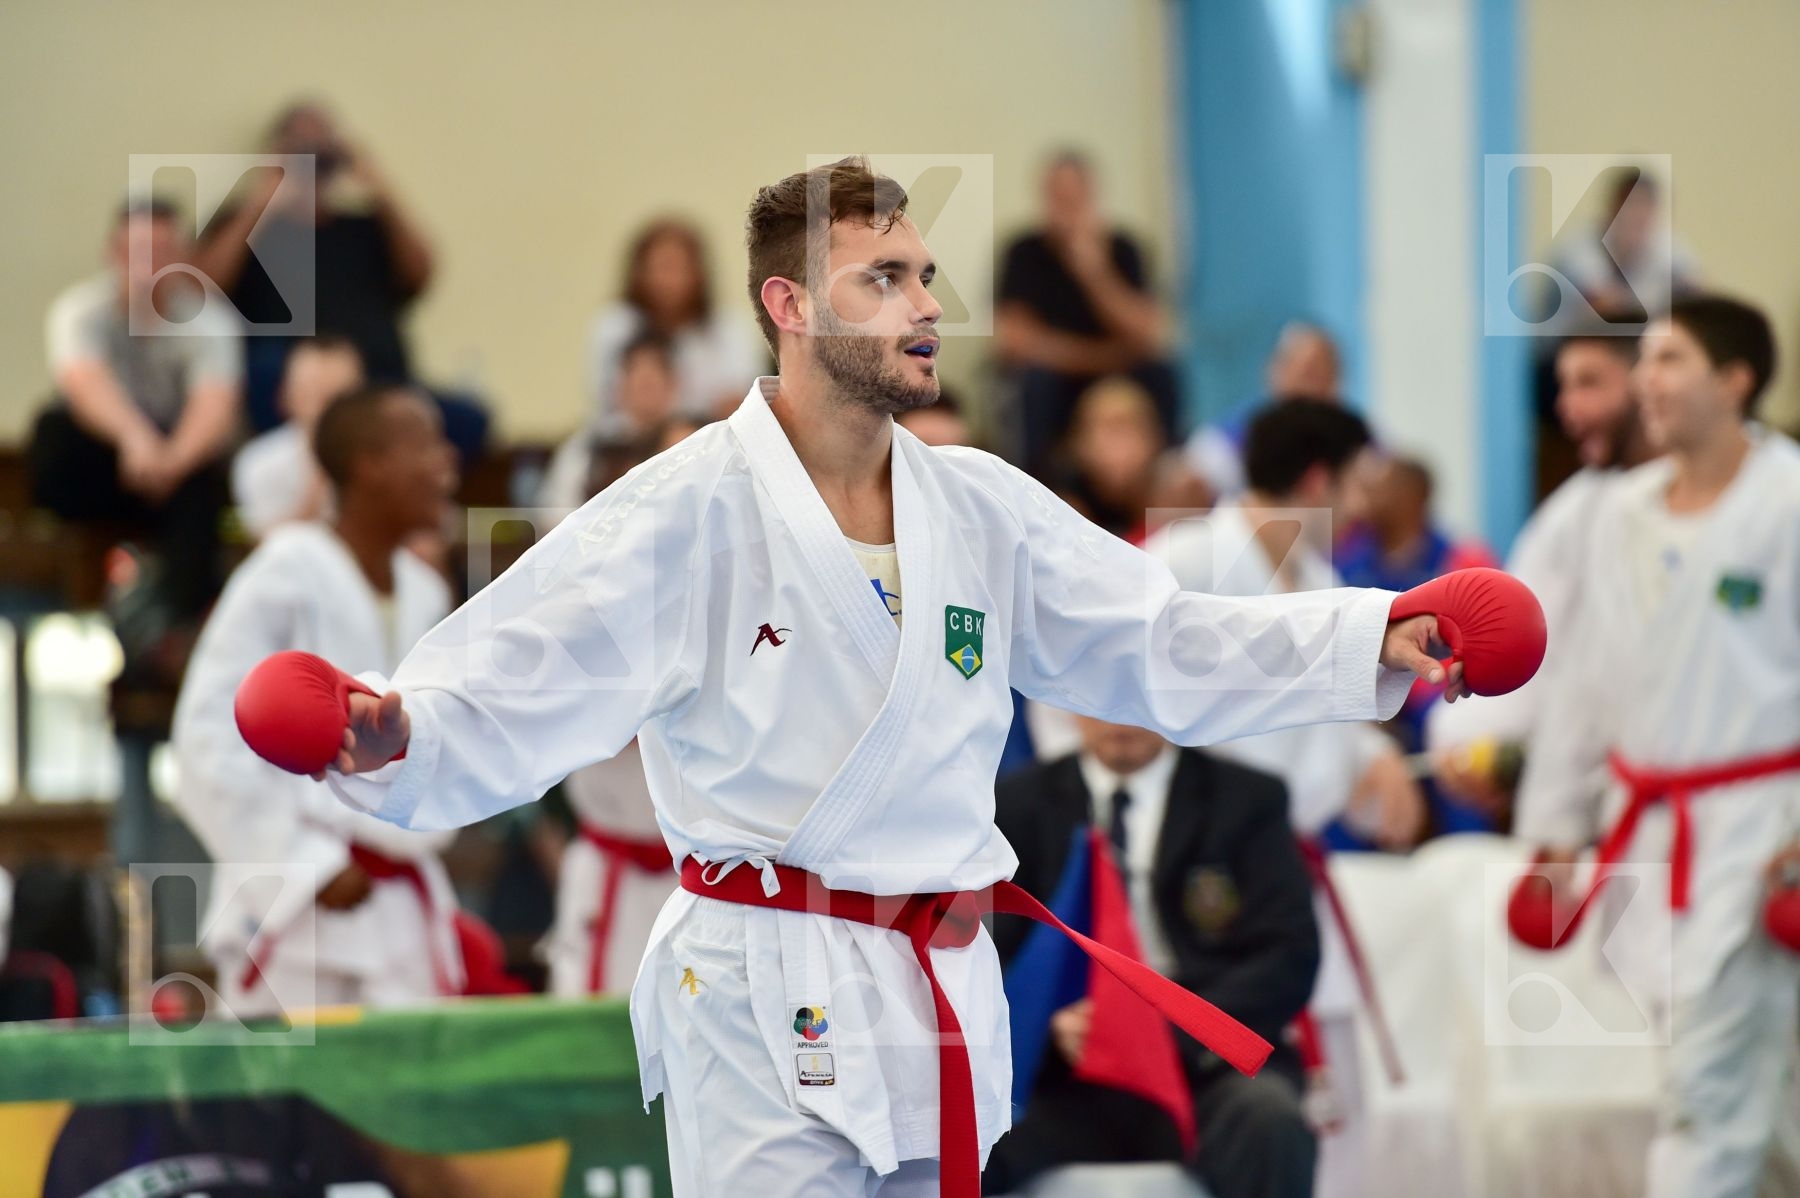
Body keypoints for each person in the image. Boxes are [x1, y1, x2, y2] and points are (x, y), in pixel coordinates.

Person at [299, 157, 1468, 1197]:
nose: (924, 307)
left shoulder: (978, 503)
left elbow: (1161, 639)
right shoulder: (683, 512)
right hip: (763, 986)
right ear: (789, 304)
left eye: (925, 275)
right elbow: (527, 672)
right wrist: (402, 733)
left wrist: (1371, 639)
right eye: (885, 279)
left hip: (938, 979)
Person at [1514, 295, 1800, 1198]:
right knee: (1754, 1083)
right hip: (1647, 830)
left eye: (1670, 360)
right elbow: (1585, 682)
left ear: (1735, 379)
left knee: (1703, 1090)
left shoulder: (1789, 501)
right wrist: (1556, 830)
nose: (1647, 382)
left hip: (1760, 830)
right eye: (1644, 362)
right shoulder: (1617, 512)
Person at [1144, 399, 1426, 1198]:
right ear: (1317, 478)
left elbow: (1327, 732)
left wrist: (1378, 763)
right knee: (1233, 1102)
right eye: (1361, 482)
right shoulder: (1183, 558)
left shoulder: (1327, 582)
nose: (1370, 504)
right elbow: (1090, 703)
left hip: (1292, 879)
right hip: (1191, 877)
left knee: (1335, 1106)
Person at [173, 383, 464, 1015]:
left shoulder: (426, 592)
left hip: (399, 911)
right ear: (370, 464)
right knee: (286, 1113)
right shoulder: (286, 571)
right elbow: (207, 735)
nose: (447, 461)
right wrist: (303, 865)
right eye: (426, 445)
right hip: (300, 905)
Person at [985, 716, 1319, 1198]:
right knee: (960, 1137)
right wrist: (1049, 1023)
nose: (1120, 716)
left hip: (1202, 1069)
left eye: (1136, 695)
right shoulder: (1016, 804)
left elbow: (1288, 953)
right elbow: (987, 953)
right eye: (1104, 697)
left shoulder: (1247, 800)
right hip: (1064, 1076)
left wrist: (1165, 1030)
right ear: (1068, 706)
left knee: (1270, 1122)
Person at [1428, 327, 1653, 817]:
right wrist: (1469, 738)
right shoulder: (1575, 514)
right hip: (1600, 790)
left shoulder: (1770, 493)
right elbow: (1532, 648)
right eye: (1564, 386)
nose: (1569, 407)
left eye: (1590, 383)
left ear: (1648, 381)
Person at [31, 199, 242, 631]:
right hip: (106, 461)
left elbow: (214, 406)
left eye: (163, 250)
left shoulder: (211, 322)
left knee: (204, 484)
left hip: (174, 470)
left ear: (181, 257)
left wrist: (171, 461)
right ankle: (71, 572)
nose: (151, 264)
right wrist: (135, 440)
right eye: (139, 250)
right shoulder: (81, 311)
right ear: (114, 253)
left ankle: (171, 628)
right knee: (53, 432)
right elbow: (85, 385)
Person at [996, 151, 1176, 474]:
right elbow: (1015, 341)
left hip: (1121, 372)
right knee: (1036, 382)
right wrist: (1106, 356)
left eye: (1075, 196)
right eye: (1059, 196)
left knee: (1163, 373)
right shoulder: (1023, 251)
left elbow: (1147, 334)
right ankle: (1039, 480)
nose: (1068, 206)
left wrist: (1094, 272)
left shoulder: (1123, 248)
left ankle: (1166, 473)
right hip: (1060, 376)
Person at [587, 217, 766, 438]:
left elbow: (741, 403)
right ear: (639, 272)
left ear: (699, 272)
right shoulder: (616, 326)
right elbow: (606, 400)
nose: (669, 280)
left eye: (679, 267)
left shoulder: (729, 328)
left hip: (709, 442)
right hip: (630, 444)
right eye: (661, 267)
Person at [1186, 322, 1343, 500]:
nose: (1312, 390)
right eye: (1308, 374)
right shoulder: (1217, 446)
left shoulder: (1355, 441)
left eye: (1325, 374)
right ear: (1274, 370)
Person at [231, 334, 364, 538]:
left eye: (338, 397)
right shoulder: (258, 462)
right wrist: (320, 480)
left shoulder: (385, 458)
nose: (326, 411)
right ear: (285, 395)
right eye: (313, 394)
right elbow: (261, 546)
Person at [1050, 374, 1167, 541]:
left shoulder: (1174, 502)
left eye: (1128, 428)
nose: (1119, 446)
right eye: (1109, 430)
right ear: (1079, 443)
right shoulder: (1060, 508)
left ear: (1155, 438)